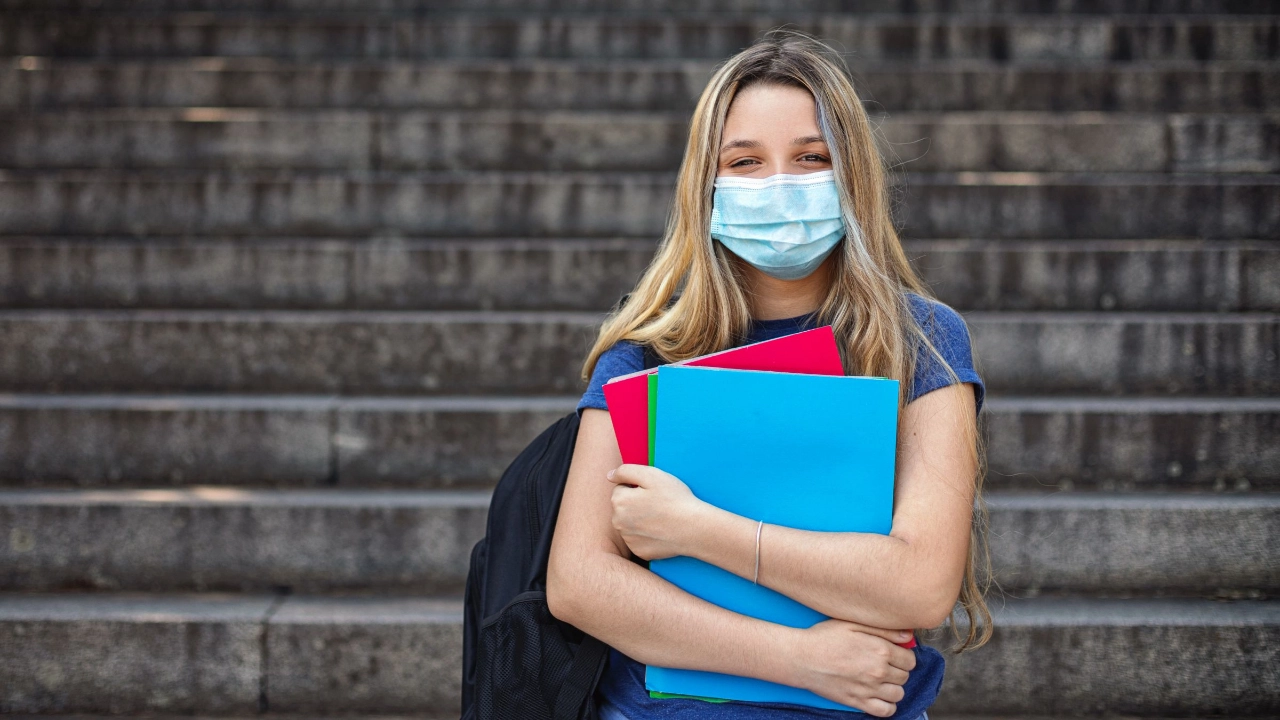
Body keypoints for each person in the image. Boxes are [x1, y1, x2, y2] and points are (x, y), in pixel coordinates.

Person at [545, 30, 991, 720]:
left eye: (811, 158)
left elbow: (922, 585)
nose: (779, 185)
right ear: (706, 184)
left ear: (852, 174)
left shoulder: (922, 339)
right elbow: (579, 582)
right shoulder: (648, 348)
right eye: (745, 161)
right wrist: (798, 659)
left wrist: (696, 529)